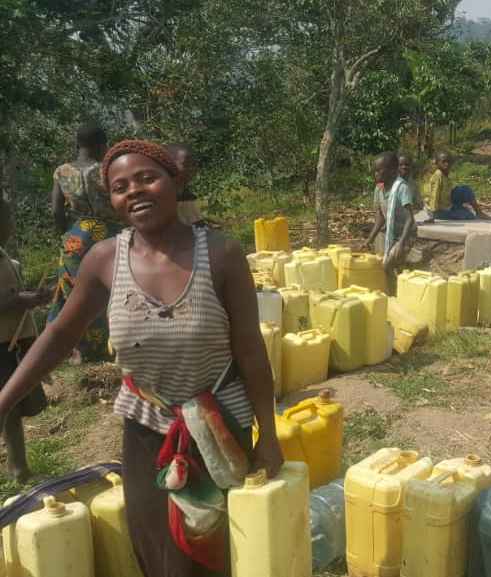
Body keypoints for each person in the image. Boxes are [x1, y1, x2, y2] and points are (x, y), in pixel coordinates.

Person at [0, 140, 283, 576]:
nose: (134, 191)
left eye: (147, 178)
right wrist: (4, 401)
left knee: (216, 548)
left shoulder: (222, 254)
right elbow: (59, 335)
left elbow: (250, 350)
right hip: (147, 427)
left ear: (175, 181)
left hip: (220, 425)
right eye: (120, 186)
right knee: (156, 548)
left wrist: (270, 433)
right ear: (111, 200)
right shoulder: (104, 260)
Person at [49, 121, 121, 361]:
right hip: (108, 233)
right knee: (109, 290)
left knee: (74, 293)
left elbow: (56, 211)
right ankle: (109, 347)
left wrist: (67, 235)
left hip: (75, 236)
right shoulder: (106, 169)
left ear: (77, 144)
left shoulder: (61, 171)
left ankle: (75, 349)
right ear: (102, 145)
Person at [0, 197, 50, 483]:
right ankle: (18, 469)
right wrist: (20, 300)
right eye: (5, 218)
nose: (10, 225)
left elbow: (14, 294)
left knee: (12, 408)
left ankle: (19, 469)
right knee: (7, 408)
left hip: (14, 342)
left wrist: (33, 298)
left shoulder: (7, 257)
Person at [363, 152, 416, 291]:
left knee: (387, 265)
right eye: (374, 171)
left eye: (379, 170)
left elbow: (410, 218)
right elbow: (380, 218)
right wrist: (369, 239)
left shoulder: (402, 188)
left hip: (405, 235)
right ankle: (397, 291)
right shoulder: (379, 189)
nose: (376, 174)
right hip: (390, 235)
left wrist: (401, 243)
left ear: (392, 170)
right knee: (388, 266)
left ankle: (393, 295)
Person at [424, 151, 491, 222]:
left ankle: (479, 212)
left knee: (465, 189)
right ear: (437, 163)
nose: (446, 164)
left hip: (446, 203)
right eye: (443, 162)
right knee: (468, 215)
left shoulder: (445, 173)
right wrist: (432, 216)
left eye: (448, 161)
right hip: (438, 210)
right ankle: (453, 211)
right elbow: (434, 195)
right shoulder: (438, 175)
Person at [165, 143, 206, 227]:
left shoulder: (185, 194)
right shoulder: (163, 197)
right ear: (169, 165)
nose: (193, 169)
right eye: (186, 164)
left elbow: (196, 223)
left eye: (194, 164)